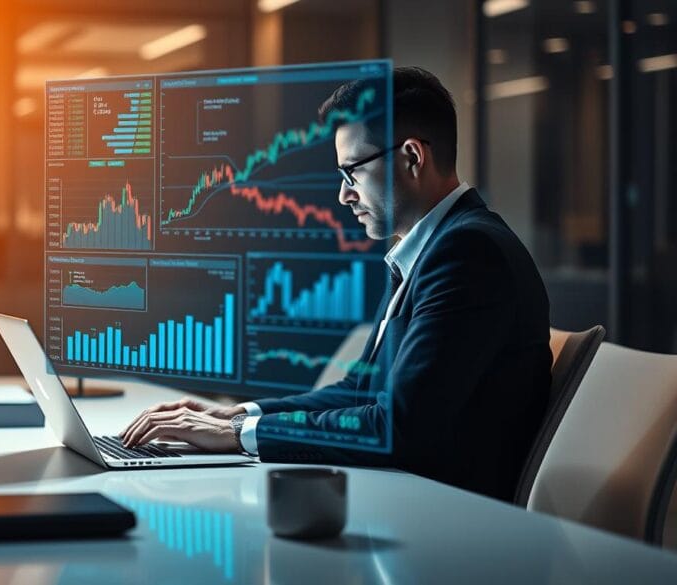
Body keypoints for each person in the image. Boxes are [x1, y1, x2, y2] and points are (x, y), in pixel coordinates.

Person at [120, 67, 551, 502]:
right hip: (401, 496)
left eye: (353, 173)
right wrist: (238, 415)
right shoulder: (432, 247)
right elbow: (360, 392)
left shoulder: (468, 253)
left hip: (442, 520)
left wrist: (238, 435)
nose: (344, 195)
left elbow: (395, 428)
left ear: (412, 157)